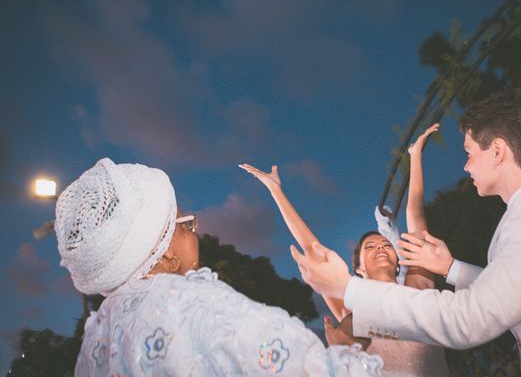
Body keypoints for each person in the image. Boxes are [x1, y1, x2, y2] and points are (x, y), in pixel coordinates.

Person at [290, 88, 521, 377]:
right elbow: (516, 290)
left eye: (470, 153)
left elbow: (469, 319)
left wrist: (348, 287)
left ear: (498, 151)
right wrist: (451, 268)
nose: (465, 165)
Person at [54, 158, 383, 376]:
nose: (195, 234)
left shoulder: (98, 334)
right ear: (166, 256)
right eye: (184, 225)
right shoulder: (188, 303)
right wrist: (345, 351)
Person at [239, 123, 450, 377]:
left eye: (385, 245)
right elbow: (313, 249)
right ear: (359, 267)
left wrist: (415, 156)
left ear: (397, 260)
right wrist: (276, 190)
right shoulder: (352, 310)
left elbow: (415, 215)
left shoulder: (418, 289)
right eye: (370, 247)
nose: (380, 247)